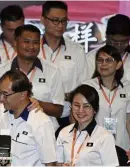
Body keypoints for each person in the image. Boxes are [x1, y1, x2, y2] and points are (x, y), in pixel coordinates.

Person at [0, 24, 64, 131]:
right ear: (15, 43)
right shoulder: (0, 72)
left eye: (36, 42)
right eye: (26, 42)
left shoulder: (52, 71)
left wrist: (37, 104)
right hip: (10, 131)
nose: (31, 46)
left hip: (44, 132)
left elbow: (59, 110)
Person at [0, 70, 57, 166]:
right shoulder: (0, 112)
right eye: (0, 93)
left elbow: (50, 164)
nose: (1, 99)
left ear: (23, 95)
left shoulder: (41, 122)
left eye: (5, 94)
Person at [40, 1, 89, 130]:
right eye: (55, 20)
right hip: (36, 114)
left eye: (64, 21)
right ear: (43, 20)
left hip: (67, 118)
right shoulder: (32, 49)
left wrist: (69, 96)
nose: (60, 25)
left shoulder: (76, 50)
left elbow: (84, 86)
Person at [82, 45, 130, 150]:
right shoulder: (87, 87)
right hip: (94, 145)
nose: (103, 64)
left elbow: (129, 120)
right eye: (100, 60)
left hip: (121, 145)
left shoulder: (127, 87)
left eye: (109, 60)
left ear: (118, 65)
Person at [56, 84, 119, 166]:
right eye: (76, 105)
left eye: (86, 106)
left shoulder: (105, 137)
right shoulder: (63, 133)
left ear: (95, 109)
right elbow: (58, 163)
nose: (80, 110)